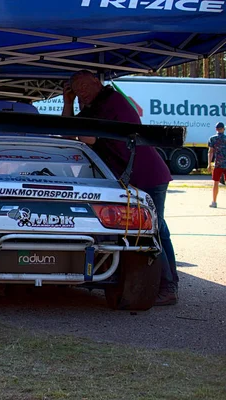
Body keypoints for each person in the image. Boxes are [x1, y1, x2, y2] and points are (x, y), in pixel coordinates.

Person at [62, 70, 179, 306]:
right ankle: (163, 284)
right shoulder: (93, 106)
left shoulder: (111, 101)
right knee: (154, 230)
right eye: (77, 88)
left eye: (85, 86)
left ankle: (167, 287)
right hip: (130, 178)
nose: (81, 92)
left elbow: (85, 137)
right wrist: (68, 102)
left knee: (154, 232)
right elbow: (67, 132)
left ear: (98, 82)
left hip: (147, 174)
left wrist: (74, 107)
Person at [208, 122, 226, 207]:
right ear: (223, 129)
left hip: (218, 164)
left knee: (216, 183)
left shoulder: (213, 139)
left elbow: (210, 152)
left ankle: (214, 202)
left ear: (216, 129)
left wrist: (209, 164)